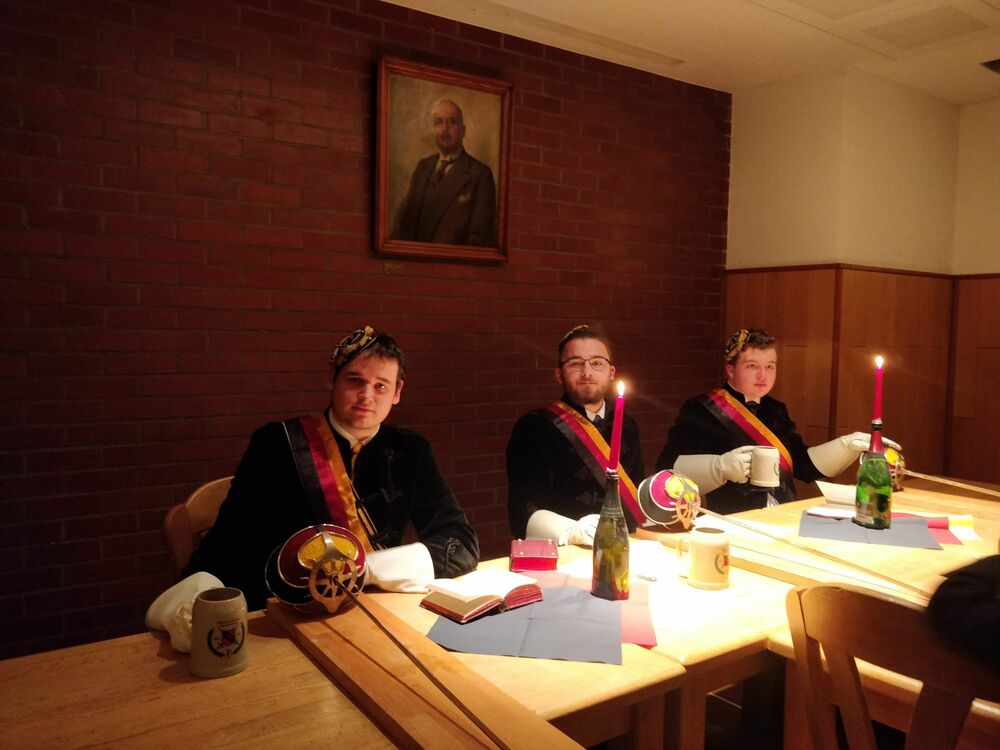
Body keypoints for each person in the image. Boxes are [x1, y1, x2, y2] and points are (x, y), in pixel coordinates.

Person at [183, 326, 480, 610]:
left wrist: (368, 568)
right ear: (332, 380)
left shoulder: (411, 451)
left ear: (397, 392)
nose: (367, 396)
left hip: (375, 605)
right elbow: (228, 544)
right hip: (290, 607)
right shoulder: (277, 444)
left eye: (380, 386)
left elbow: (461, 544)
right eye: (355, 380)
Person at [656, 327, 901, 515]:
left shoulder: (776, 409)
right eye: (752, 366)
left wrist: (845, 445)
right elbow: (667, 472)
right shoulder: (702, 409)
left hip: (783, 516)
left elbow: (803, 466)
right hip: (733, 520)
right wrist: (719, 467)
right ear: (730, 370)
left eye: (770, 366)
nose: (763, 376)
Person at [506, 325, 646, 545]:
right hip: (565, 551)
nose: (587, 372)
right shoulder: (534, 427)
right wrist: (573, 531)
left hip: (625, 545)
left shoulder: (627, 424)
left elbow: (636, 495)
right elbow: (523, 511)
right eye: (575, 363)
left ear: (611, 372)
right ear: (559, 374)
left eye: (596, 363)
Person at [392, 98, 497, 246]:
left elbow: (478, 239)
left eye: (452, 122)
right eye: (439, 122)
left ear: (463, 131)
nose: (444, 129)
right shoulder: (423, 167)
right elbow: (403, 223)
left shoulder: (480, 174)